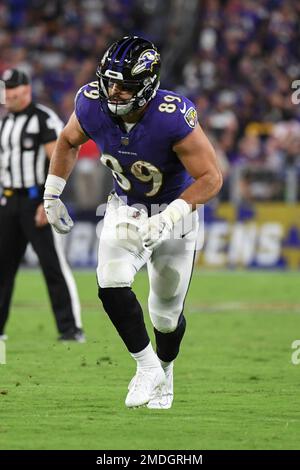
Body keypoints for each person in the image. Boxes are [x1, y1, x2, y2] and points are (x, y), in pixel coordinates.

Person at [43, 36, 222, 408]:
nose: (113, 91)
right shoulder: (92, 104)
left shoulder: (172, 116)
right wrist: (52, 192)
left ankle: (166, 373)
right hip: (125, 205)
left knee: (166, 314)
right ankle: (146, 367)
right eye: (109, 81)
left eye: (124, 86)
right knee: (110, 280)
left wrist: (171, 216)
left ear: (147, 86)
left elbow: (211, 177)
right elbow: (67, 140)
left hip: (176, 212)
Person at [0, 68, 84, 342]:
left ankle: (71, 329)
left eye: (12, 90)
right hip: (8, 200)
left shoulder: (44, 120)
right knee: (3, 267)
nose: (8, 95)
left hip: (36, 200)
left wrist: (49, 201)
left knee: (52, 265)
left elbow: (58, 159)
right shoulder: (5, 123)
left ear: (26, 90)